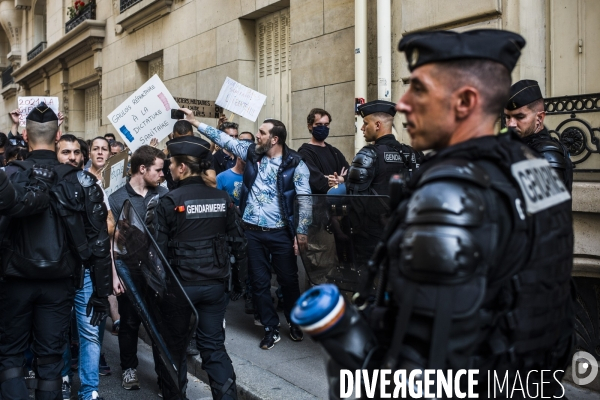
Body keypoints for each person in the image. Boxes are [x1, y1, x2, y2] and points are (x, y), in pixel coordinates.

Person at [312, 30, 574, 398]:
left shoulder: (450, 193)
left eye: (418, 90)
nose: (402, 105)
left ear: (465, 101)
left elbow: (421, 362)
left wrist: (350, 359)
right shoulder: (530, 167)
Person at [0, 103, 112, 400]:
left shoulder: (10, 176)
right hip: (59, 284)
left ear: (25, 136)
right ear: (58, 136)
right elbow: (99, 242)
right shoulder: (81, 180)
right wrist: (101, 293)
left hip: (14, 281)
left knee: (10, 357)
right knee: (50, 360)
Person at [181, 109, 312, 349]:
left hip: (281, 232)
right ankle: (271, 328)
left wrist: (301, 232)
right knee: (259, 282)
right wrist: (195, 122)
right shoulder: (251, 153)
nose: (257, 137)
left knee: (289, 280)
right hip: (251, 232)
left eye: (262, 133)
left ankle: (294, 322)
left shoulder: (296, 164)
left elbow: (305, 199)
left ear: (275, 139)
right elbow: (225, 140)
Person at [155, 135, 246, 400]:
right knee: (214, 348)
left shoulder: (169, 202)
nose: (169, 168)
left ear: (182, 167)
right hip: (215, 287)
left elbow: (157, 253)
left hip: (180, 290)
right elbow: (240, 244)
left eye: (171, 163)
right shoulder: (223, 199)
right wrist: (239, 284)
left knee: (174, 349)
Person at [55, 134, 113, 400]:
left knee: (89, 331)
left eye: (76, 152)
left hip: (85, 271)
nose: (72, 157)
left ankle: (89, 390)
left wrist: (103, 288)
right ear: (56, 153)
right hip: (55, 272)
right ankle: (64, 377)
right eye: (66, 152)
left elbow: (103, 233)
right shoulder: (49, 183)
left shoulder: (91, 185)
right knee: (59, 330)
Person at [108, 145, 167, 392]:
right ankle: (129, 369)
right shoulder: (116, 198)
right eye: (159, 169)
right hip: (130, 270)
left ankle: (164, 376)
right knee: (130, 322)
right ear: (142, 169)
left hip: (159, 272)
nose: (163, 174)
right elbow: (110, 242)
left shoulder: (164, 194)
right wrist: (114, 276)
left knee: (159, 325)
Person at [504, 79, 573, 192]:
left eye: (520, 117)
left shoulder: (545, 154)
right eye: (507, 117)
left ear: (539, 118)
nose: (511, 124)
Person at [346, 100, 421, 196]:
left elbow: (355, 199)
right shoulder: (414, 153)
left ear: (377, 125)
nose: (362, 128)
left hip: (374, 211)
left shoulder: (367, 155)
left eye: (365, 123)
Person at [298, 108, 349, 194]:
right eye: (319, 124)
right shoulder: (305, 152)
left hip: (339, 203)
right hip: (318, 203)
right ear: (310, 126)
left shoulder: (334, 152)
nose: (323, 128)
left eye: (326, 124)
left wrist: (341, 179)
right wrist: (339, 180)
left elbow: (350, 174)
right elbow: (317, 182)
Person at [163, 120, 216, 190]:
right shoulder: (167, 154)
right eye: (180, 140)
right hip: (174, 196)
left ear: (193, 136)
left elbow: (212, 183)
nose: (185, 143)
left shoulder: (204, 153)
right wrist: (162, 156)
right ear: (173, 137)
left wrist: (194, 170)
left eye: (188, 139)